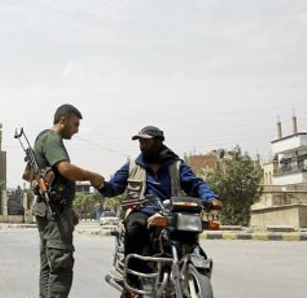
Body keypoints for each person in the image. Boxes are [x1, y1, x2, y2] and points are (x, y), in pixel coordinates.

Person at [95, 125, 221, 297]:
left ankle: (191, 267)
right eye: (140, 142)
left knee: (188, 236)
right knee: (135, 227)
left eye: (146, 142)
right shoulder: (133, 164)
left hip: (171, 212)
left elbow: (195, 184)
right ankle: (132, 280)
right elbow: (114, 187)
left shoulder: (176, 165)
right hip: (143, 210)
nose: (142, 145)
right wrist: (100, 184)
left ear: (158, 142)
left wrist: (210, 198)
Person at [33, 104, 106, 298]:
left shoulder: (42, 138)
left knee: (49, 265)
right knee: (61, 265)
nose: (77, 130)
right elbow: (65, 169)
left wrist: (68, 207)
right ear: (63, 120)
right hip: (54, 213)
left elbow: (42, 177)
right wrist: (92, 176)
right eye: (75, 125)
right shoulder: (52, 139)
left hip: (51, 208)